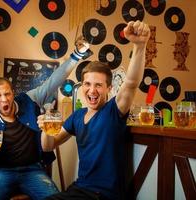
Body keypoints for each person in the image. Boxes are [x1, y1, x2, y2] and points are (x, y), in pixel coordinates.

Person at [0, 39, 90, 200]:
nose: (4, 100)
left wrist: (77, 55)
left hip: (33, 170)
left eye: (7, 94)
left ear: (13, 93)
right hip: (2, 172)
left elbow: (54, 81)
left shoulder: (29, 99)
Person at [37, 20, 150, 200]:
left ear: (108, 88)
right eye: (87, 84)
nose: (92, 90)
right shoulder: (77, 116)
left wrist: (140, 45)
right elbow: (48, 145)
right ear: (82, 86)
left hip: (104, 195)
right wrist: (45, 128)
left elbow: (131, 83)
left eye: (98, 85)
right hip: (80, 188)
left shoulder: (114, 110)